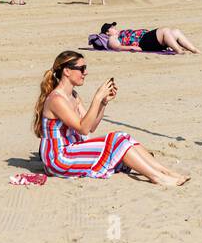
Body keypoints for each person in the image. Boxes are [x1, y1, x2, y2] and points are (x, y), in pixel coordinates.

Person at [33, 50, 190, 185]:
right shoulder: (56, 99)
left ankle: (165, 171)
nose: (85, 72)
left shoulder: (73, 95)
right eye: (82, 69)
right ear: (67, 71)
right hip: (59, 159)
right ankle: (157, 178)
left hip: (72, 149)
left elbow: (91, 127)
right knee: (117, 140)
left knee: (122, 136)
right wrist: (96, 98)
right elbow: (83, 128)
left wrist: (102, 103)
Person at [90, 21, 199, 55]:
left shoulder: (117, 35)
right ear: (108, 32)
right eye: (112, 27)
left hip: (145, 38)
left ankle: (195, 50)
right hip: (143, 41)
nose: (115, 28)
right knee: (165, 30)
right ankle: (179, 51)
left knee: (175, 31)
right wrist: (134, 48)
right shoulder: (112, 39)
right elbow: (118, 47)